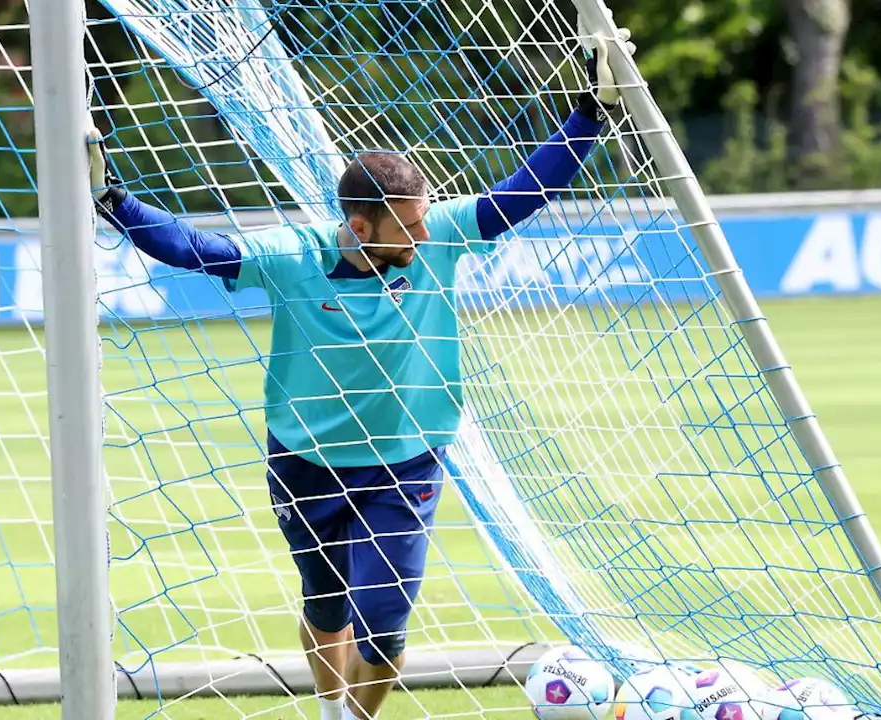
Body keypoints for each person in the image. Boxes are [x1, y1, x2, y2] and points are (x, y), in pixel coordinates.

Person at [88, 27, 635, 720]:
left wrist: (589, 115)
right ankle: (331, 711)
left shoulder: (440, 240)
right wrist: (115, 202)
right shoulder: (293, 257)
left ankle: (355, 718)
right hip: (304, 462)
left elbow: (526, 191)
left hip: (405, 464)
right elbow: (194, 249)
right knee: (325, 604)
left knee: (384, 625)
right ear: (361, 225)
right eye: (409, 225)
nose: (426, 234)